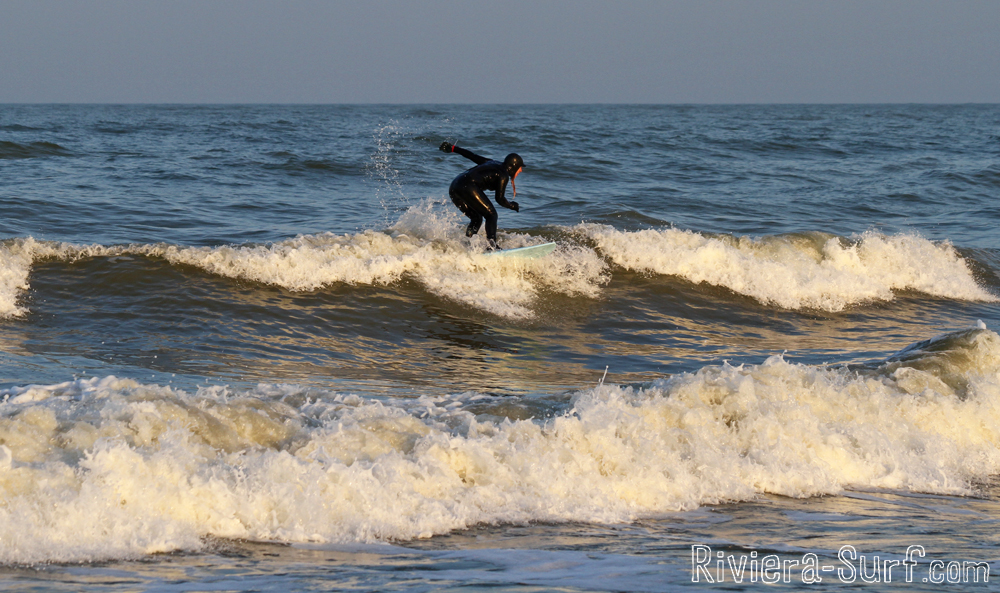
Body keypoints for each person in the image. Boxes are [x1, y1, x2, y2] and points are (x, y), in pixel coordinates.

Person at [439, 141, 523, 250]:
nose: (521, 170)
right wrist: (511, 205)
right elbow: (499, 199)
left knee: (476, 218)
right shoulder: (503, 175)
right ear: (513, 166)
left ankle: (468, 244)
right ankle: (492, 246)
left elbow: (472, 156)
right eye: (520, 168)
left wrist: (453, 148)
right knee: (491, 215)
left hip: (455, 185)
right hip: (467, 186)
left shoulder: (492, 162)